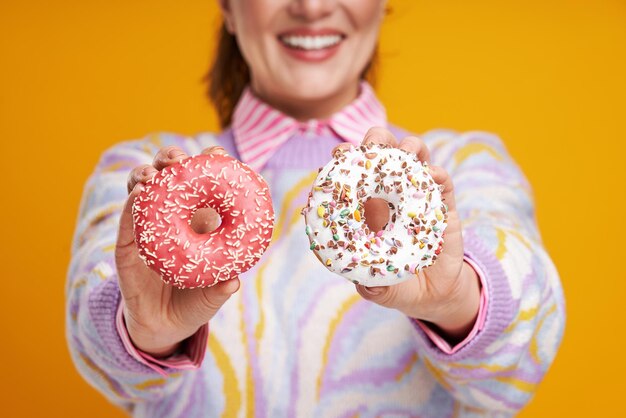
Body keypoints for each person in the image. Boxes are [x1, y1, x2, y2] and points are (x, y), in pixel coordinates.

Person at [66, 0, 565, 416]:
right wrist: (143, 333)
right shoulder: (146, 175)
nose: (311, 6)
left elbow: (517, 365)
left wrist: (455, 300)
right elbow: (96, 340)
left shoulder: (462, 167)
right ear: (229, 9)